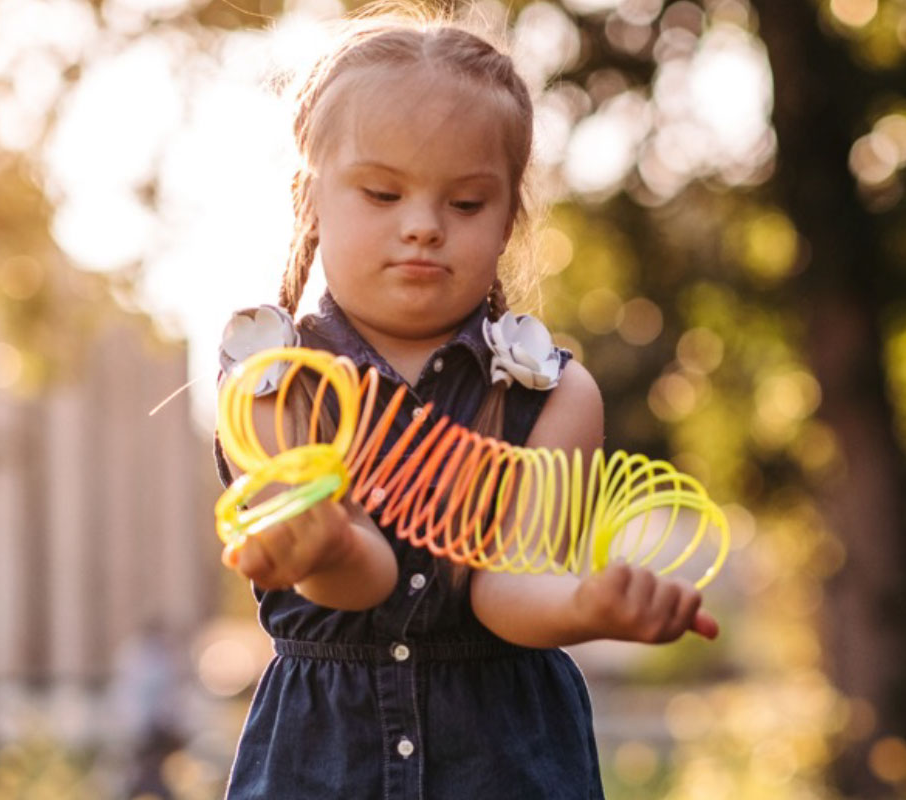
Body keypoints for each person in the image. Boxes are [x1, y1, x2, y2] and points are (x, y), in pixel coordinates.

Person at [213, 12, 719, 799]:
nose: (422, 227)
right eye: (383, 193)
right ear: (310, 200)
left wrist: (588, 602)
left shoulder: (552, 392)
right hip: (325, 766)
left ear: (511, 217)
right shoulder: (275, 381)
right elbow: (362, 577)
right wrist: (322, 546)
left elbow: (509, 587)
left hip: (506, 764)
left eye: (467, 204)